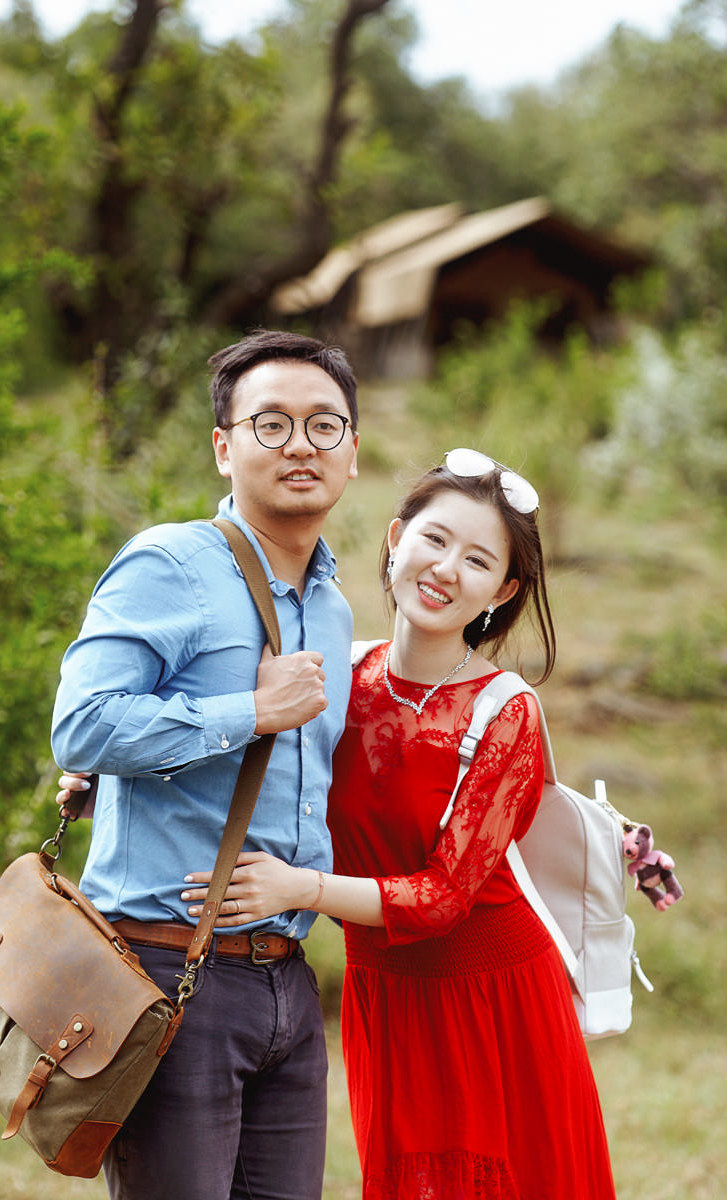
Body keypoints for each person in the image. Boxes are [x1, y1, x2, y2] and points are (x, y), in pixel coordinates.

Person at [180, 449, 618, 1199]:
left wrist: (305, 888)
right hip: (386, 992)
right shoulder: (337, 678)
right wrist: (107, 776)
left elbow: (445, 897)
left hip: (492, 996)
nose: (447, 568)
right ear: (394, 539)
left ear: (501, 590)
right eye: (435, 539)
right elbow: (248, 775)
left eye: (478, 560)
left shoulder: (505, 708)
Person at [51, 329, 360, 1200]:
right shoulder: (172, 563)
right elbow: (80, 725)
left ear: (354, 451)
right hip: (168, 973)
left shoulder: (332, 609)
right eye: (271, 424)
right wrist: (252, 711)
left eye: (324, 425)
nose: (301, 444)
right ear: (224, 447)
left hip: (288, 986)